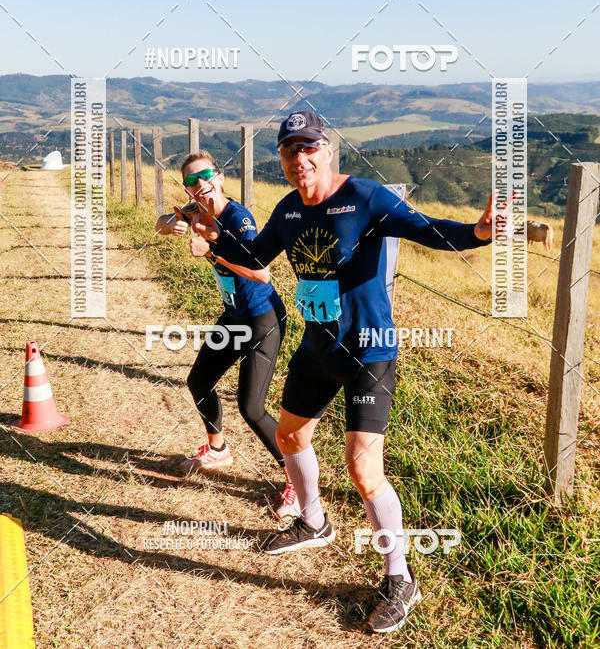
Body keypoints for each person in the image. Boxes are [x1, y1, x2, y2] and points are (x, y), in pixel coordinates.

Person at [189, 111, 503, 634]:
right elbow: (255, 254)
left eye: (308, 148)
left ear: (328, 149)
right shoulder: (289, 210)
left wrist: (477, 232)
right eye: (290, 151)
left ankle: (400, 578)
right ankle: (313, 521)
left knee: (363, 469)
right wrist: (211, 240)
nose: (299, 159)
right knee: (290, 434)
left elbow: (429, 230)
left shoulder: (367, 197)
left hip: (369, 352)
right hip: (317, 349)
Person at [155, 150, 300, 520]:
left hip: (263, 319)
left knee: (251, 407)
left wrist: (213, 250)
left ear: (218, 177)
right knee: (199, 379)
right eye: (191, 180)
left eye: (205, 176)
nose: (200, 184)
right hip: (235, 317)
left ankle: (297, 482)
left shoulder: (239, 218)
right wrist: (167, 225)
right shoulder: (193, 210)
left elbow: (262, 273)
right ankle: (218, 449)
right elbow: (162, 221)